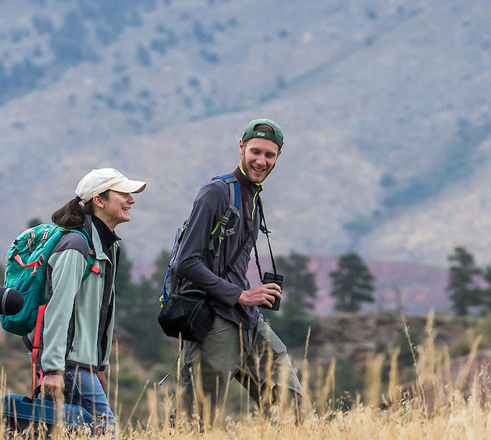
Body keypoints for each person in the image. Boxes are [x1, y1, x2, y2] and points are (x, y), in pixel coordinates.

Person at [173, 118, 302, 422]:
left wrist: (247, 300)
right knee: (196, 421)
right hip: (214, 323)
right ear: (241, 147)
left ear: (278, 157)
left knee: (291, 405)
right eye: (255, 151)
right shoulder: (216, 193)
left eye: (269, 155)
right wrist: (241, 295)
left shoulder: (253, 196)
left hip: (247, 321)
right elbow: (186, 261)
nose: (261, 161)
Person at [34, 168, 146, 434]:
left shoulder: (107, 247)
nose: (131, 200)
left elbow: (100, 313)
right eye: (123, 193)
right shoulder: (76, 246)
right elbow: (58, 310)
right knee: (107, 430)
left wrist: (100, 365)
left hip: (83, 365)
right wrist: (52, 369)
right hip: (69, 365)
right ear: (99, 200)